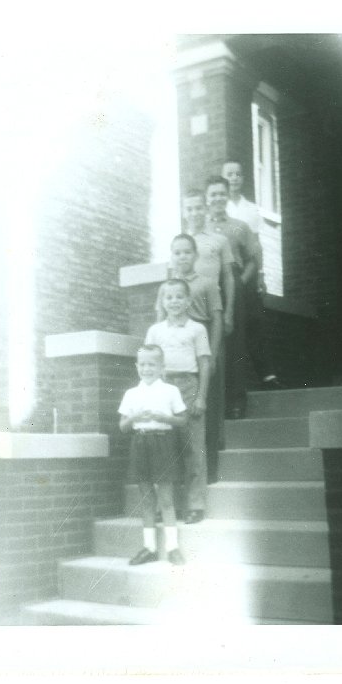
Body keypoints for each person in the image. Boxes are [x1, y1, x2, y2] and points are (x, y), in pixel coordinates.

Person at [156, 234, 224, 485]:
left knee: (201, 417)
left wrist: (213, 354)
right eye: (177, 252)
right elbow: (159, 319)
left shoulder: (207, 282)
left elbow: (216, 319)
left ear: (195, 256)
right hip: (174, 348)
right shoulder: (166, 288)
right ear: (171, 256)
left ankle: (209, 474)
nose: (182, 257)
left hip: (200, 347)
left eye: (187, 252)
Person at [146, 278, 212, 524]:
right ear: (162, 302)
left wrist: (201, 396)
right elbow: (149, 363)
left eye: (178, 297)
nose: (173, 301)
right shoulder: (155, 331)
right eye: (168, 297)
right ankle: (167, 506)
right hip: (163, 388)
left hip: (188, 386)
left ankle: (195, 504)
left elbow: (204, 363)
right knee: (164, 448)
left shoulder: (197, 329)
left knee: (193, 447)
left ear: (188, 301)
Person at [118, 345, 187, 566]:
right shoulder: (131, 394)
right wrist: (135, 417)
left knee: (166, 499)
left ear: (161, 367)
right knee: (147, 500)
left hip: (163, 443)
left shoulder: (170, 391)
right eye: (143, 364)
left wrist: (165, 418)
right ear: (137, 366)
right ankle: (149, 548)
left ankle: (172, 547)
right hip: (140, 443)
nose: (147, 369)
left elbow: (183, 420)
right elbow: (122, 426)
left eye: (152, 364)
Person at [221, 159, 282, 390]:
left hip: (247, 271)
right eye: (229, 174)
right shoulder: (218, 206)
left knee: (254, 321)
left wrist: (260, 274)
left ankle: (267, 375)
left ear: (243, 178)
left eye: (237, 174)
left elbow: (256, 247)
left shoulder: (250, 209)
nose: (234, 178)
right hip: (226, 271)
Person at [204, 175, 256, 419]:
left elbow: (253, 260)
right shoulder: (199, 226)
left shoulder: (239, 226)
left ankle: (236, 401)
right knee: (209, 343)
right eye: (213, 194)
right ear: (207, 198)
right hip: (208, 285)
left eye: (221, 194)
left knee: (235, 342)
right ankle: (215, 402)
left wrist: (241, 283)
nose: (217, 198)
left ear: (227, 196)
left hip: (232, 283)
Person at [182, 189, 235, 336]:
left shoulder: (219, 240)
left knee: (214, 350)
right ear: (183, 212)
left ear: (206, 209)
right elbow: (172, 276)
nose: (194, 213)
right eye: (189, 209)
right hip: (184, 304)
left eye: (198, 208)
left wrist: (229, 312)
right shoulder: (179, 242)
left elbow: (228, 278)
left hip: (211, 303)